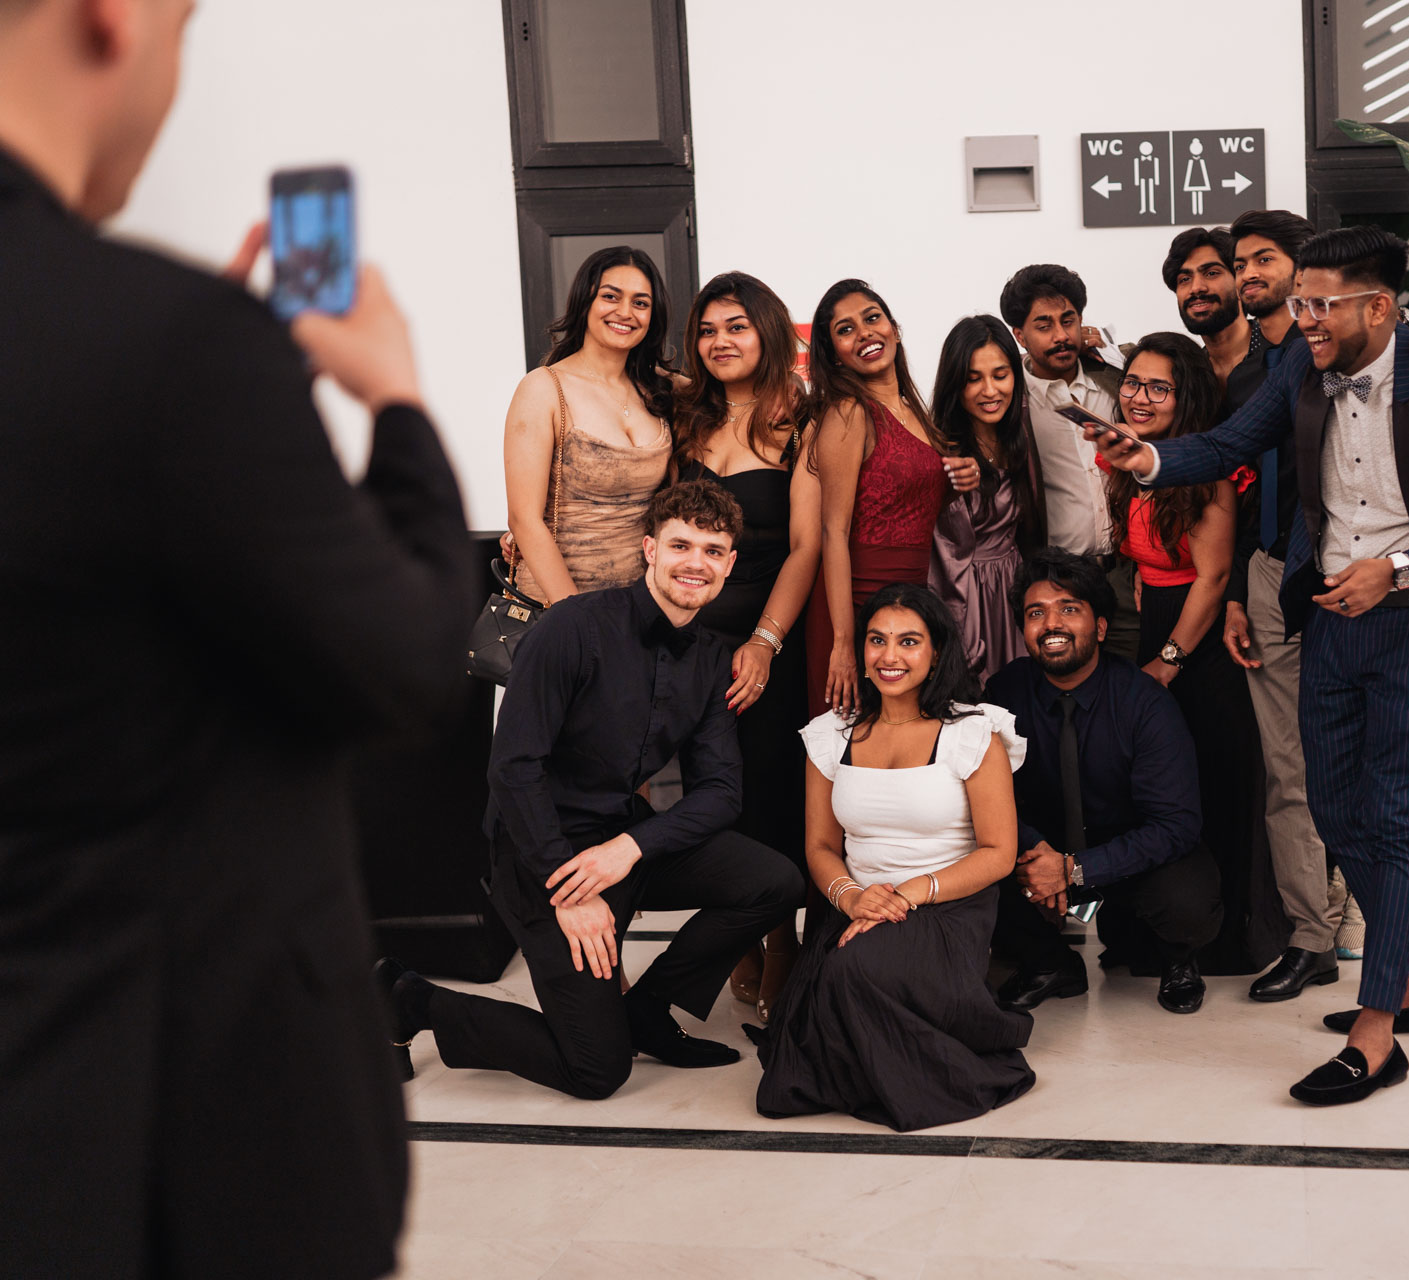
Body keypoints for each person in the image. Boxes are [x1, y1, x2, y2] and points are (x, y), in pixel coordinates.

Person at [0, 1, 473, 1274]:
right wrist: (398, 403)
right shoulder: (160, 342)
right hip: (169, 1137)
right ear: (115, 17)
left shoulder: (148, 352)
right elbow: (404, 664)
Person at [1093, 226, 1409, 1105]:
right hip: (1328, 615)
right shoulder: (1300, 364)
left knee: (1391, 818)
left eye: (1322, 304)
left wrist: (1399, 569)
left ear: (1381, 307)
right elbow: (1227, 443)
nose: (1306, 319)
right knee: (1334, 809)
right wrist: (1151, 458)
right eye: (1302, 303)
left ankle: (1379, 1031)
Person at [378, 481, 807, 1098]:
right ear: (649, 549)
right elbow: (513, 769)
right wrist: (568, 888)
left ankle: (647, 1011)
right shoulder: (572, 627)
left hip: (620, 841)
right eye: (681, 545)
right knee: (597, 1070)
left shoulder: (712, 658)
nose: (696, 563)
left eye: (713, 551)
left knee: (776, 881)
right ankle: (410, 999)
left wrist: (629, 848)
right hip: (540, 853)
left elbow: (720, 793)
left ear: (729, 564)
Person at [1170, 211, 1409, 1001]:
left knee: (1381, 782)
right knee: (1290, 776)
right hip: (1273, 578)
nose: (1248, 274)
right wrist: (1239, 593)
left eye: (1265, 260)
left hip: (1362, 581)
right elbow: (1238, 486)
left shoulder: (1366, 354)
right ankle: (1310, 937)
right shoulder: (1248, 380)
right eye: (1240, 262)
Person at [756, 583, 1034, 1132]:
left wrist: (907, 893)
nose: (890, 656)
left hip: (946, 905)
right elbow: (820, 846)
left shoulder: (972, 732)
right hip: (856, 905)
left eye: (909, 641)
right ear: (861, 651)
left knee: (852, 972)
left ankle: (910, 1070)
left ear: (936, 651)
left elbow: (1000, 853)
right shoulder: (831, 734)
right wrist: (851, 897)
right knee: (797, 1050)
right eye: (877, 640)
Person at [1103, 334, 1283, 977]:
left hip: (1199, 642)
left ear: (1188, 399)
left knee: (1215, 784)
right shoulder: (1131, 460)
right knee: (1160, 790)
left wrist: (1169, 659)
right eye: (1133, 382)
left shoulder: (1204, 470)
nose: (1140, 397)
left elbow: (1212, 577)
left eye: (1160, 388)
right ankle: (1160, 932)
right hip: (1157, 621)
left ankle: (1226, 941)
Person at [673, 270, 820, 1021]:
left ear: (767, 330)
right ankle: (735, 932)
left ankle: (782, 937)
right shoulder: (683, 417)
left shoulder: (803, 419)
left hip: (769, 641)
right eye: (707, 330)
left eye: (735, 326)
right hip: (688, 642)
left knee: (768, 794)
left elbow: (805, 546)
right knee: (707, 794)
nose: (720, 341)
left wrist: (765, 642)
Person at [987, 551, 1222, 1015]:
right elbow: (989, 799)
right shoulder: (1002, 694)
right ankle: (1051, 964)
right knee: (974, 861)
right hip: (1042, 855)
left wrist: (1075, 869)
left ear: (1099, 627)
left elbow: (1175, 825)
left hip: (1128, 864)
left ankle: (1176, 960)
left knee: (1187, 895)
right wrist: (1040, 856)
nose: (1051, 624)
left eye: (1068, 609)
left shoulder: (1144, 701)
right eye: (1036, 613)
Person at [805, 278, 962, 714]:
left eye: (872, 318)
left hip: (911, 599)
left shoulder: (915, 410)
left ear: (894, 327)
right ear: (833, 353)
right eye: (846, 329)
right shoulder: (849, 412)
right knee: (853, 733)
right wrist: (842, 643)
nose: (864, 333)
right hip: (853, 602)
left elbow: (915, 503)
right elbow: (833, 532)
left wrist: (959, 477)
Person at [501, 245, 676, 604]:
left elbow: (733, 393)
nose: (625, 312)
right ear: (585, 302)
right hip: (557, 606)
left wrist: (790, 386)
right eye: (610, 296)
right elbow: (523, 520)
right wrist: (577, 619)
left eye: (640, 303)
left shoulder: (661, 389)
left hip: (641, 605)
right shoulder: (543, 388)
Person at [998, 262, 1139, 659]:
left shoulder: (1114, 379)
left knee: (1136, 681)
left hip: (1129, 574)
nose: (1061, 336)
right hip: (1057, 583)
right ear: (1020, 335)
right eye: (1044, 325)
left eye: (1068, 320)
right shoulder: (1011, 401)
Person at [928, 314, 1047, 680]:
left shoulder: (1020, 436)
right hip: (965, 596)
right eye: (973, 379)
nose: (990, 391)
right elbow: (941, 557)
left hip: (1015, 588)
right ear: (954, 384)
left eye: (1000, 375)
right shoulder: (939, 449)